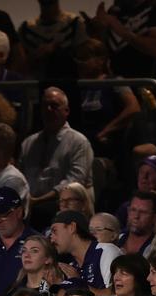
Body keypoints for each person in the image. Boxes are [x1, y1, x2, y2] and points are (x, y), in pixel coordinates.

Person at [20, 88, 93, 226]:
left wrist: (38, 200)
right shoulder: (29, 143)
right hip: (30, 203)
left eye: (54, 106)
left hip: (63, 204)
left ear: (66, 111)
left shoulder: (78, 142)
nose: (48, 110)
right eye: (44, 106)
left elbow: (75, 182)